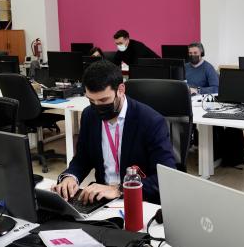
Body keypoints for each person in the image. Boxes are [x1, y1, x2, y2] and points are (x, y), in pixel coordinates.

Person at [51, 60, 176, 205]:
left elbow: (165, 178)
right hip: (100, 200)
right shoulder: (89, 115)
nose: (97, 107)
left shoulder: (151, 121)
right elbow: (82, 158)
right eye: (91, 101)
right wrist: (71, 177)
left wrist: (120, 190)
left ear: (121, 90)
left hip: (139, 201)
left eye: (104, 100)